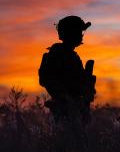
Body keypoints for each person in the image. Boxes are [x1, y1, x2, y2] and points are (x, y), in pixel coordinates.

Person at [38, 15, 96, 151]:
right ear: (70, 33)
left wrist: (87, 93)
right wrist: (65, 97)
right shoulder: (57, 54)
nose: (81, 36)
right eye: (78, 32)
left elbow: (80, 82)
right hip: (65, 109)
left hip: (75, 107)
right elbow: (46, 79)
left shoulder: (72, 56)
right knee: (71, 144)